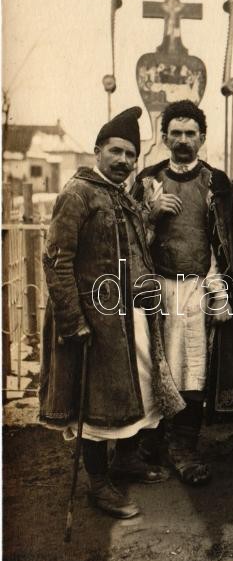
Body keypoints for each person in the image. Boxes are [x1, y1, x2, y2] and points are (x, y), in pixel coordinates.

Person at [39, 107, 184, 518]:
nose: (123, 160)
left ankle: (127, 459)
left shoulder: (122, 196)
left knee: (134, 387)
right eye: (116, 151)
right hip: (94, 318)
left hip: (130, 315)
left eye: (130, 155)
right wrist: (73, 321)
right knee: (97, 398)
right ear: (97, 150)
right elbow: (56, 260)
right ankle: (98, 483)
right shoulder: (78, 194)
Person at [132, 100, 233, 486]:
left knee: (194, 370)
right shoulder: (147, 179)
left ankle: (185, 447)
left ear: (202, 138)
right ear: (163, 138)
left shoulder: (216, 183)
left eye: (190, 133)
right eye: (175, 133)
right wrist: (151, 211)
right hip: (156, 289)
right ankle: (152, 443)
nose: (182, 141)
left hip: (197, 287)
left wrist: (219, 291)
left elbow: (224, 242)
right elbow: (130, 240)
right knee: (155, 370)